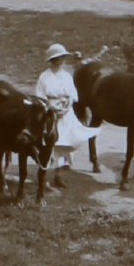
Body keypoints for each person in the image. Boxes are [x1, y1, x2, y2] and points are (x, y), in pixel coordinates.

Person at [35, 43, 100, 189]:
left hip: (65, 111)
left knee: (65, 142)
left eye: (62, 58)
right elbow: (40, 96)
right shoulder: (44, 77)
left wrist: (67, 105)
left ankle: (59, 175)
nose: (60, 61)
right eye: (56, 59)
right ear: (51, 60)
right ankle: (44, 174)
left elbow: (73, 94)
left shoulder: (66, 76)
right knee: (49, 143)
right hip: (50, 110)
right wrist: (51, 107)